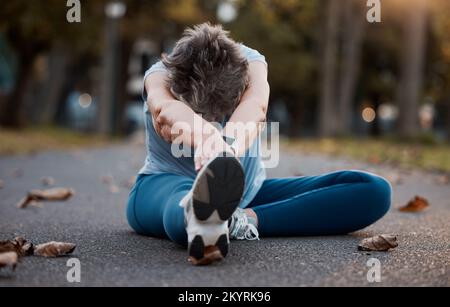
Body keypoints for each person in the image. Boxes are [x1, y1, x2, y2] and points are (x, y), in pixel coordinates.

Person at [127, 23, 391, 265]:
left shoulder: (251, 63)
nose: (214, 120)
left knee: (374, 190)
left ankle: (238, 220)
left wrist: (226, 149)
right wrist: (208, 138)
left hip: (248, 192)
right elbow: (165, 110)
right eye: (202, 114)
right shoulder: (160, 76)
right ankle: (200, 215)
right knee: (183, 206)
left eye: (219, 115)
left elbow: (256, 107)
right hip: (164, 185)